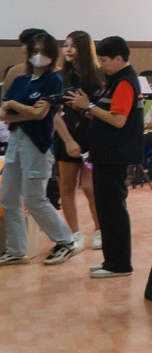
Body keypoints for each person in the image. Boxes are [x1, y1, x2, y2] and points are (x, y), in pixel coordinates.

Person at [68, 35, 144, 280]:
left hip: (114, 155)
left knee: (113, 210)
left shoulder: (124, 83)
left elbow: (118, 121)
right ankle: (111, 260)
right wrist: (88, 110)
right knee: (107, 208)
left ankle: (120, 264)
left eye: (104, 59)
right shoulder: (116, 81)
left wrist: (88, 106)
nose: (101, 64)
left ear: (119, 58)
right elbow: (108, 115)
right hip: (106, 154)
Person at [0, 30, 78, 266]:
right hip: (16, 143)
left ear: (52, 55)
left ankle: (65, 240)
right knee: (8, 197)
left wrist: (16, 106)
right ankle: (16, 249)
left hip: (39, 146)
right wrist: (26, 111)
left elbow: (42, 114)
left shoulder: (53, 79)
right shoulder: (21, 80)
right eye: (34, 51)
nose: (37, 56)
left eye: (43, 52)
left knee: (34, 198)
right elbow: (6, 115)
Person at [53, 32, 100, 247]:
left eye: (73, 45)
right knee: (67, 187)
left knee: (90, 187)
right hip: (66, 137)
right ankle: (74, 233)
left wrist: (88, 107)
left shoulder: (98, 76)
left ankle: (100, 230)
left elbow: (101, 112)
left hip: (92, 138)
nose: (68, 49)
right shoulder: (60, 76)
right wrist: (68, 140)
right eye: (66, 45)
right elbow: (53, 112)